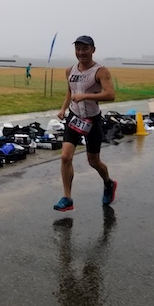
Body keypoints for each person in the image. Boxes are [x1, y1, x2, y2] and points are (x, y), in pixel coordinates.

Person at [54, 35, 117, 212]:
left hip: (92, 120)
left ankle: (108, 183)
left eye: (85, 49)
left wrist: (85, 96)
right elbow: (70, 91)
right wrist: (63, 109)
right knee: (65, 157)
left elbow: (110, 95)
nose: (81, 53)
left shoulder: (100, 71)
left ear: (93, 50)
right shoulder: (70, 70)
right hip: (74, 117)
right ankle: (67, 198)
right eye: (78, 49)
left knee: (93, 161)